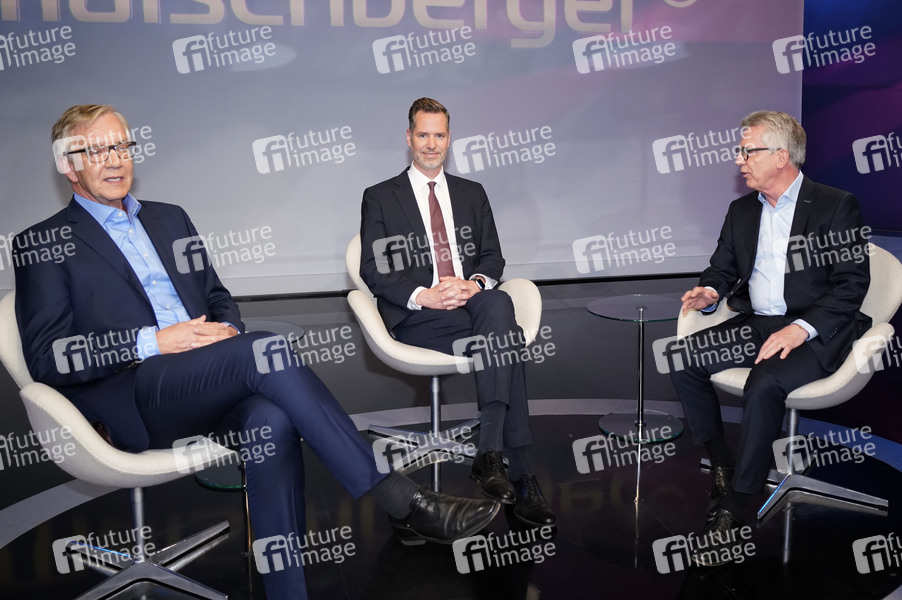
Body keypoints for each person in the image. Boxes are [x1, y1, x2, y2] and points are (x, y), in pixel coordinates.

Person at [14, 104, 500, 600]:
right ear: (67, 164)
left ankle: (288, 592)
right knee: (265, 351)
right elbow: (48, 357)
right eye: (96, 150)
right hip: (138, 394)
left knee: (271, 420)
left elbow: (218, 297)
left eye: (121, 145)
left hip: (204, 380)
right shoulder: (43, 243)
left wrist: (225, 330)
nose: (115, 159)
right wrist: (154, 341)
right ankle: (402, 499)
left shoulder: (169, 218)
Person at [671, 111, 871, 558]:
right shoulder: (742, 210)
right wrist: (710, 290)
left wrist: (800, 329)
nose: (739, 159)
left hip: (814, 327)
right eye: (740, 151)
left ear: (781, 156)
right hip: (759, 322)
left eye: (748, 151)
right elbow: (722, 267)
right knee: (683, 358)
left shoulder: (835, 204)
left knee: (764, 383)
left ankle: (738, 503)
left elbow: (852, 285)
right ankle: (723, 463)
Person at [359, 97, 554, 527]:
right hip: (420, 314)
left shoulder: (472, 193)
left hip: (473, 304)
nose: (431, 144)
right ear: (408, 137)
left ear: (449, 139)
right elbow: (373, 268)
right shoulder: (381, 197)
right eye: (423, 135)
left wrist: (473, 284)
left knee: (497, 302)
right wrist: (423, 295)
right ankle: (520, 474)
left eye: (439, 135)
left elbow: (492, 258)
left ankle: (489, 452)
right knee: (505, 338)